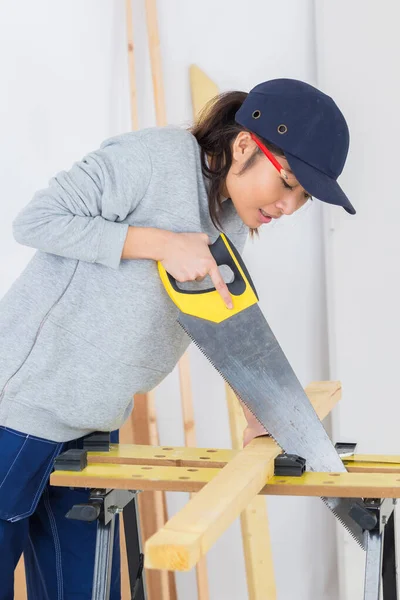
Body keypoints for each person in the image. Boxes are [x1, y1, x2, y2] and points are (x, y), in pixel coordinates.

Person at [0, 78, 355, 599]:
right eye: (288, 184)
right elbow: (36, 219)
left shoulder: (229, 217)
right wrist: (161, 243)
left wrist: (262, 411)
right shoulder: (151, 158)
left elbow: (224, 321)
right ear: (242, 147)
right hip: (21, 414)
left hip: (96, 422)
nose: (288, 207)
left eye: (303, 198)